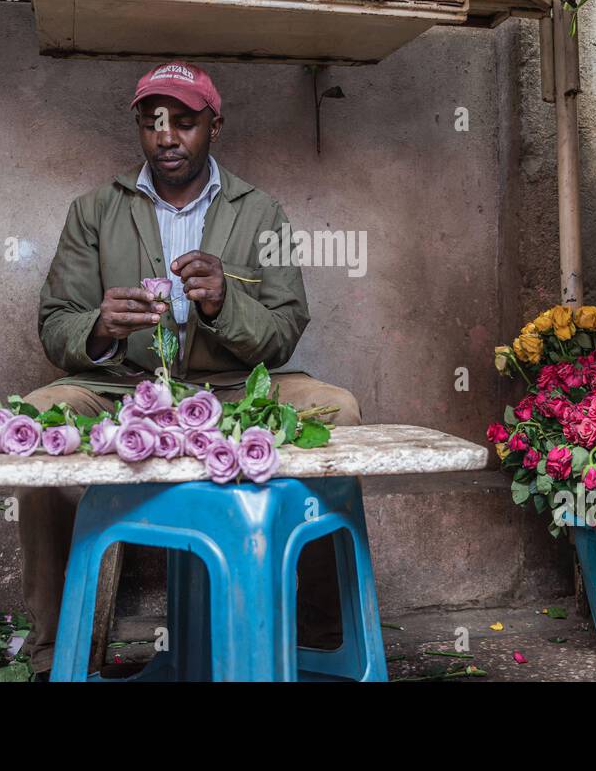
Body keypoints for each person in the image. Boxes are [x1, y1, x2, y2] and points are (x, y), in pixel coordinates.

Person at [18, 61, 362, 674]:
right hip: (122, 389)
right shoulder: (95, 210)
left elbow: (284, 330)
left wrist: (226, 302)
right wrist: (99, 327)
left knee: (338, 409)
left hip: (235, 390)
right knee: (41, 421)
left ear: (214, 127)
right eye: (153, 122)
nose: (167, 136)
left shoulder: (260, 212)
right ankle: (57, 653)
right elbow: (55, 324)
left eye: (184, 121)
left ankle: (315, 635)